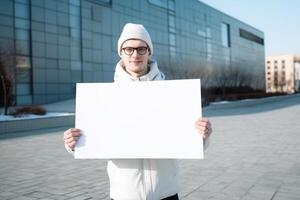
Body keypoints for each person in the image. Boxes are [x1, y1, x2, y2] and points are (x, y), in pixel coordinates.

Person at [64, 23, 212, 200]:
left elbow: (189, 140)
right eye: (128, 49)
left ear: (149, 52)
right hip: (124, 195)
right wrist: (73, 144)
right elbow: (94, 140)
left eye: (141, 49)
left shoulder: (173, 95)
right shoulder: (105, 98)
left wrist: (202, 136)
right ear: (121, 52)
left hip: (166, 193)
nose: (135, 54)